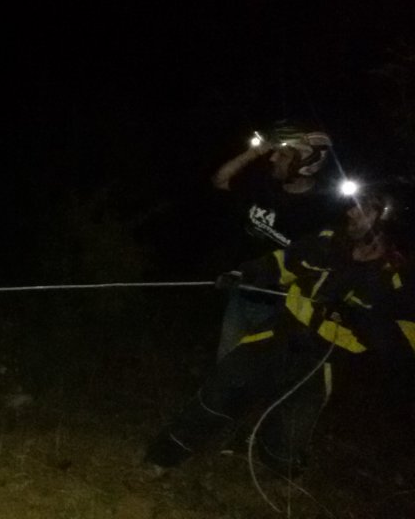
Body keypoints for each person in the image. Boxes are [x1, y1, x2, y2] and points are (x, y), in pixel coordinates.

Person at [145, 184, 415, 476]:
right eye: (353, 205)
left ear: (385, 222)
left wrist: (359, 320)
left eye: (363, 209)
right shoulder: (329, 240)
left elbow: (405, 339)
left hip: (323, 358)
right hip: (280, 331)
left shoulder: (398, 279)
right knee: (223, 386)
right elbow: (284, 262)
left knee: (288, 435)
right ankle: (164, 456)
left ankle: (271, 462)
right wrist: (245, 274)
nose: (350, 212)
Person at [211, 125, 340, 359]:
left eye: (283, 154)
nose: (272, 158)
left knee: (259, 368)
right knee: (227, 360)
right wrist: (254, 152)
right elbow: (221, 180)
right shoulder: (266, 185)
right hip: (240, 289)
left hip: (278, 307)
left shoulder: (321, 210)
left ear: (305, 163)